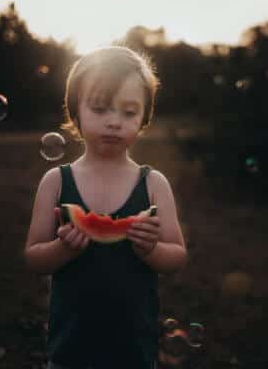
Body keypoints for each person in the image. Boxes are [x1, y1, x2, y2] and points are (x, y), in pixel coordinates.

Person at [24, 46, 188, 369]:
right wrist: (62, 249)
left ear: (144, 119)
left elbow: (176, 257)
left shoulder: (154, 184)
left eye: (128, 112)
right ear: (75, 112)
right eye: (100, 109)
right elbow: (33, 257)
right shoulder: (55, 181)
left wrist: (151, 250)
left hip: (134, 351)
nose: (114, 122)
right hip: (71, 350)